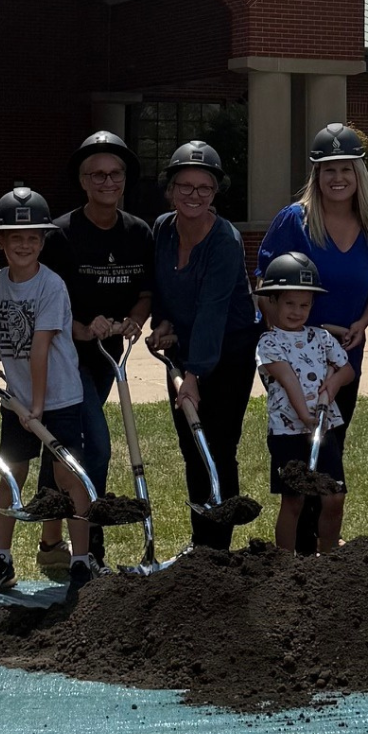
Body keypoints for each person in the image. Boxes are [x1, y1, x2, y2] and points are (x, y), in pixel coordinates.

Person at [255, 123, 368, 553]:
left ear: (359, 174)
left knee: (330, 447)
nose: (338, 178)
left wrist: (362, 323)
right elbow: (264, 282)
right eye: (328, 169)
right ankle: (297, 552)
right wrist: (287, 334)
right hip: (294, 356)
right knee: (298, 454)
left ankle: (323, 552)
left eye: (346, 168)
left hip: (343, 354)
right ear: (316, 175)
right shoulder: (293, 221)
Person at [35, 131, 152, 571]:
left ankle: (51, 545)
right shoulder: (60, 235)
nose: (107, 181)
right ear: (83, 182)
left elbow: (145, 293)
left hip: (106, 360)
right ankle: (91, 548)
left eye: (115, 173)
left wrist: (134, 319)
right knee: (95, 446)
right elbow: (41, 301)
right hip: (64, 356)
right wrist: (83, 329)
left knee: (63, 448)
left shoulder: (137, 232)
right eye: (97, 175)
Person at [0, 186, 96, 595]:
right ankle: (1, 560)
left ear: (43, 242)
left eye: (32, 238)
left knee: (66, 476)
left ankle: (81, 561)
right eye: (15, 238)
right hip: (18, 401)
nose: (24, 245)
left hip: (57, 398)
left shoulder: (51, 286)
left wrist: (38, 407)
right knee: (11, 473)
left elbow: (40, 347)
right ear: (0, 241)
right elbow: (4, 326)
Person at [144, 140, 261, 550]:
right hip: (183, 347)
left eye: (204, 188)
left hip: (229, 352)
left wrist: (193, 376)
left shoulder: (225, 240)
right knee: (191, 445)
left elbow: (213, 309)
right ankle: (200, 545)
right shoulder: (162, 229)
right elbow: (161, 285)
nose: (194, 195)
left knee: (218, 445)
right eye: (185, 186)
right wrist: (163, 322)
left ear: (214, 193)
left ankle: (218, 549)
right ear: (170, 189)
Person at [254, 252, 355, 553]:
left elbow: (347, 370)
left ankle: (329, 557)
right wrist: (307, 417)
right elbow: (288, 380)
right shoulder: (269, 343)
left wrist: (333, 384)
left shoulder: (321, 337)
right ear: (273, 301)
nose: (297, 311)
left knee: (334, 496)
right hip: (288, 432)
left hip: (325, 428)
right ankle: (285, 561)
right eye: (289, 304)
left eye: (304, 305)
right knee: (294, 499)